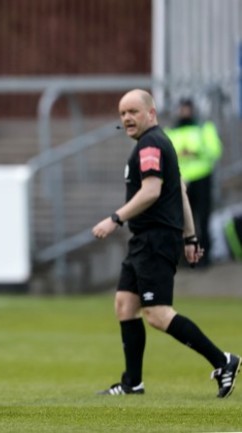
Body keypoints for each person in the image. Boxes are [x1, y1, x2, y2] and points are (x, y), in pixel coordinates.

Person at [91, 89, 240, 398]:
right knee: (125, 304)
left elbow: (151, 191)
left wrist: (114, 219)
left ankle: (223, 360)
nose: (127, 118)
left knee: (157, 313)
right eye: (122, 114)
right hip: (147, 239)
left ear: (151, 113)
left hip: (156, 240)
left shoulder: (151, 145)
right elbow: (181, 191)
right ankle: (133, 383)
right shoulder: (157, 142)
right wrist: (191, 236)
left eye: (133, 111)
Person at [164, 98, 223, 267]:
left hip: (202, 178)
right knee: (181, 221)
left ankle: (204, 257)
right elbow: (167, 155)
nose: (184, 112)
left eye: (187, 109)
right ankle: (184, 257)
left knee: (203, 219)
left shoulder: (203, 128)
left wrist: (197, 152)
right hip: (181, 181)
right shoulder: (172, 130)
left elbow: (215, 150)